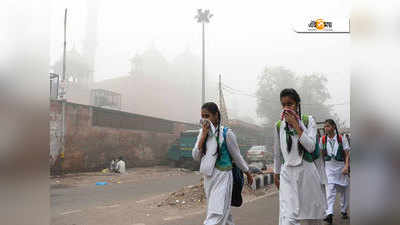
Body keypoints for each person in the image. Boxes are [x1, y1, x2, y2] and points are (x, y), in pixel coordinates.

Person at [192, 102, 253, 225]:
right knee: (223, 212)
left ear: (215, 116)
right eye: (202, 116)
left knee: (217, 213)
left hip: (223, 177)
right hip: (209, 177)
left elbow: (237, 156)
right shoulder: (202, 133)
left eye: (207, 116)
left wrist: (247, 172)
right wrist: (203, 136)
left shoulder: (227, 133)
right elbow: (195, 156)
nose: (205, 119)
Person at [273, 88, 325, 225]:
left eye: (289, 104)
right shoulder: (279, 125)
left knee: (311, 217)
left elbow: (311, 147)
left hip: (306, 172)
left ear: (297, 104)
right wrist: (276, 173)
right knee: (288, 217)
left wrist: (296, 125)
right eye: (283, 105)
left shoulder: (308, 121)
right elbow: (277, 153)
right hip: (287, 174)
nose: (286, 108)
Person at [321, 119, 351, 224]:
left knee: (344, 190)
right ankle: (329, 213)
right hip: (329, 167)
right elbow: (321, 154)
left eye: (328, 126)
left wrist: (346, 166)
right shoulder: (323, 139)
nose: (326, 128)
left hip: (341, 167)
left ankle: (343, 210)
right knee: (330, 190)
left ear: (334, 127)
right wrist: (321, 168)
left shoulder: (341, 139)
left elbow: (347, 154)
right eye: (325, 126)